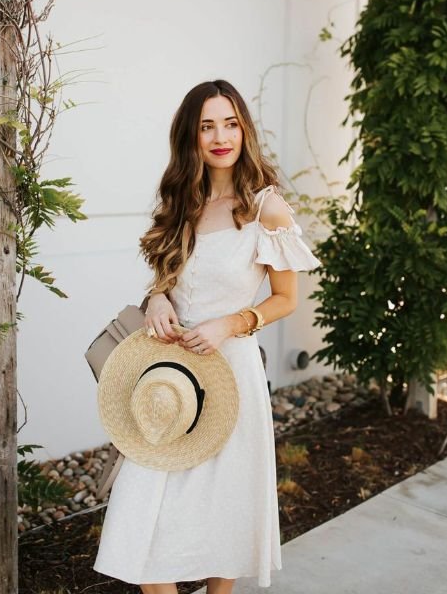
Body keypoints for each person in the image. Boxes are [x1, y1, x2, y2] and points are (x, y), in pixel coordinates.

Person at [93, 79, 321, 594]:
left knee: (228, 507)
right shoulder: (182, 201)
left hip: (231, 374)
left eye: (231, 123)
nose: (221, 136)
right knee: (143, 503)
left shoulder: (266, 208)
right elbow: (172, 281)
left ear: (244, 130)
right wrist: (157, 297)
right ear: (190, 136)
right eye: (207, 126)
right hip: (169, 375)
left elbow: (286, 298)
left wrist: (230, 324)